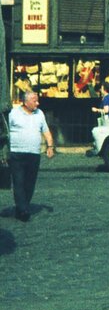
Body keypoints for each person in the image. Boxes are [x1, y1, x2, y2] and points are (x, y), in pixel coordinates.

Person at [7, 90, 55, 222]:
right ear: (26, 101)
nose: (38, 103)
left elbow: (46, 131)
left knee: (29, 183)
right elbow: (4, 131)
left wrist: (50, 146)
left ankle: (22, 206)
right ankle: (23, 210)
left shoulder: (40, 114)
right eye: (35, 101)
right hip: (16, 153)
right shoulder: (13, 113)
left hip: (34, 154)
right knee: (18, 182)